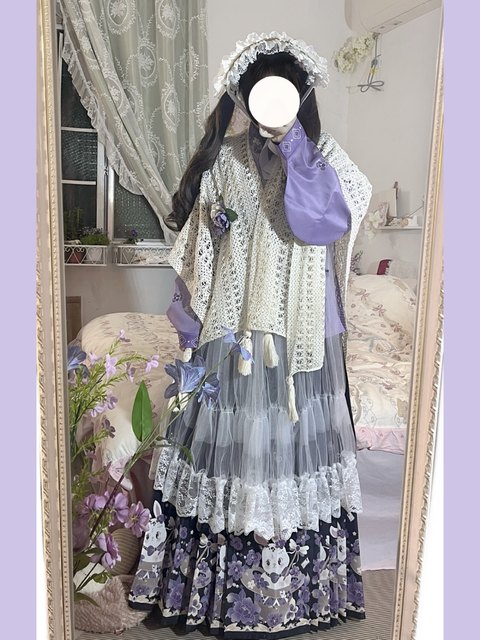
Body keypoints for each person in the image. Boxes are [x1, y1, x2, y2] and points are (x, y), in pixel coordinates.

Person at [128, 32, 372, 638]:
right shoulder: (225, 163)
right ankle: (219, 591)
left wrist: (294, 146)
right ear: (243, 97)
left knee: (289, 453)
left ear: (301, 95)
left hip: (304, 343)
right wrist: (190, 334)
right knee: (236, 456)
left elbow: (324, 223)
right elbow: (199, 260)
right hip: (234, 340)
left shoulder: (325, 159)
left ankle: (293, 592)